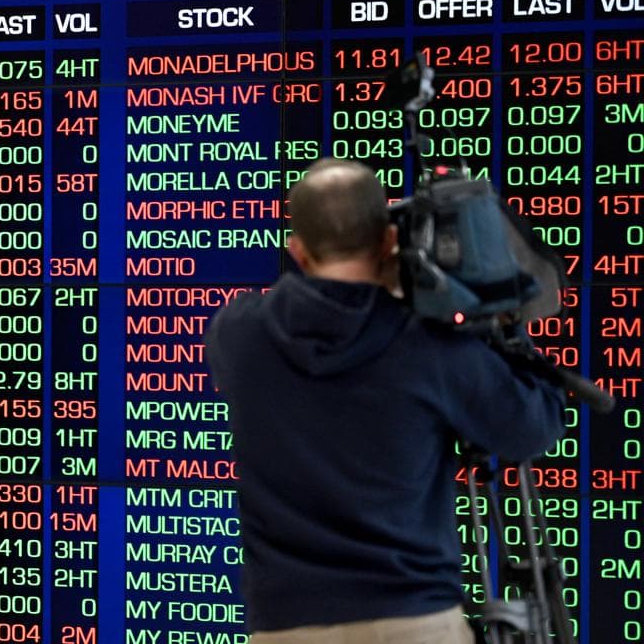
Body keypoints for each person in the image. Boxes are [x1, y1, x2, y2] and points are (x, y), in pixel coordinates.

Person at [203, 158, 566, 643]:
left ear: (298, 251)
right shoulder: (429, 347)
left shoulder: (237, 335)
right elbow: (531, 429)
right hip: (413, 621)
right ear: (389, 240)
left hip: (284, 625)